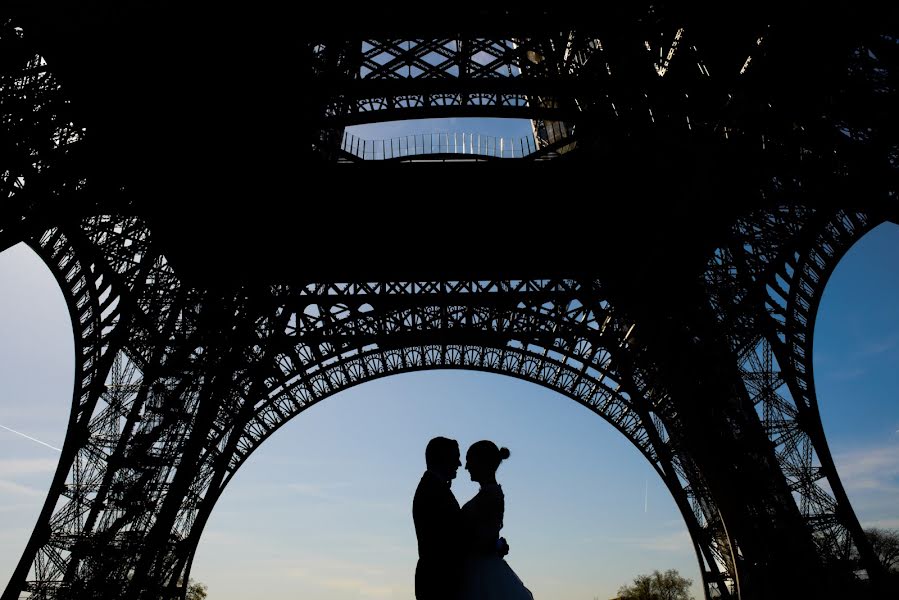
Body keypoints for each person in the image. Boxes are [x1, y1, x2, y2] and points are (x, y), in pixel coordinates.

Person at [458, 440, 534, 600]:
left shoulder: (489, 495)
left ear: (481, 463)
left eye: (469, 461)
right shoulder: (491, 494)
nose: (466, 467)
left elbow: (482, 538)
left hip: (478, 571)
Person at [413, 436, 464, 600]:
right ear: (443, 458)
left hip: (437, 580)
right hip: (439, 582)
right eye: (456, 458)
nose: (459, 464)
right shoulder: (432, 490)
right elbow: (451, 537)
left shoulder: (434, 487)